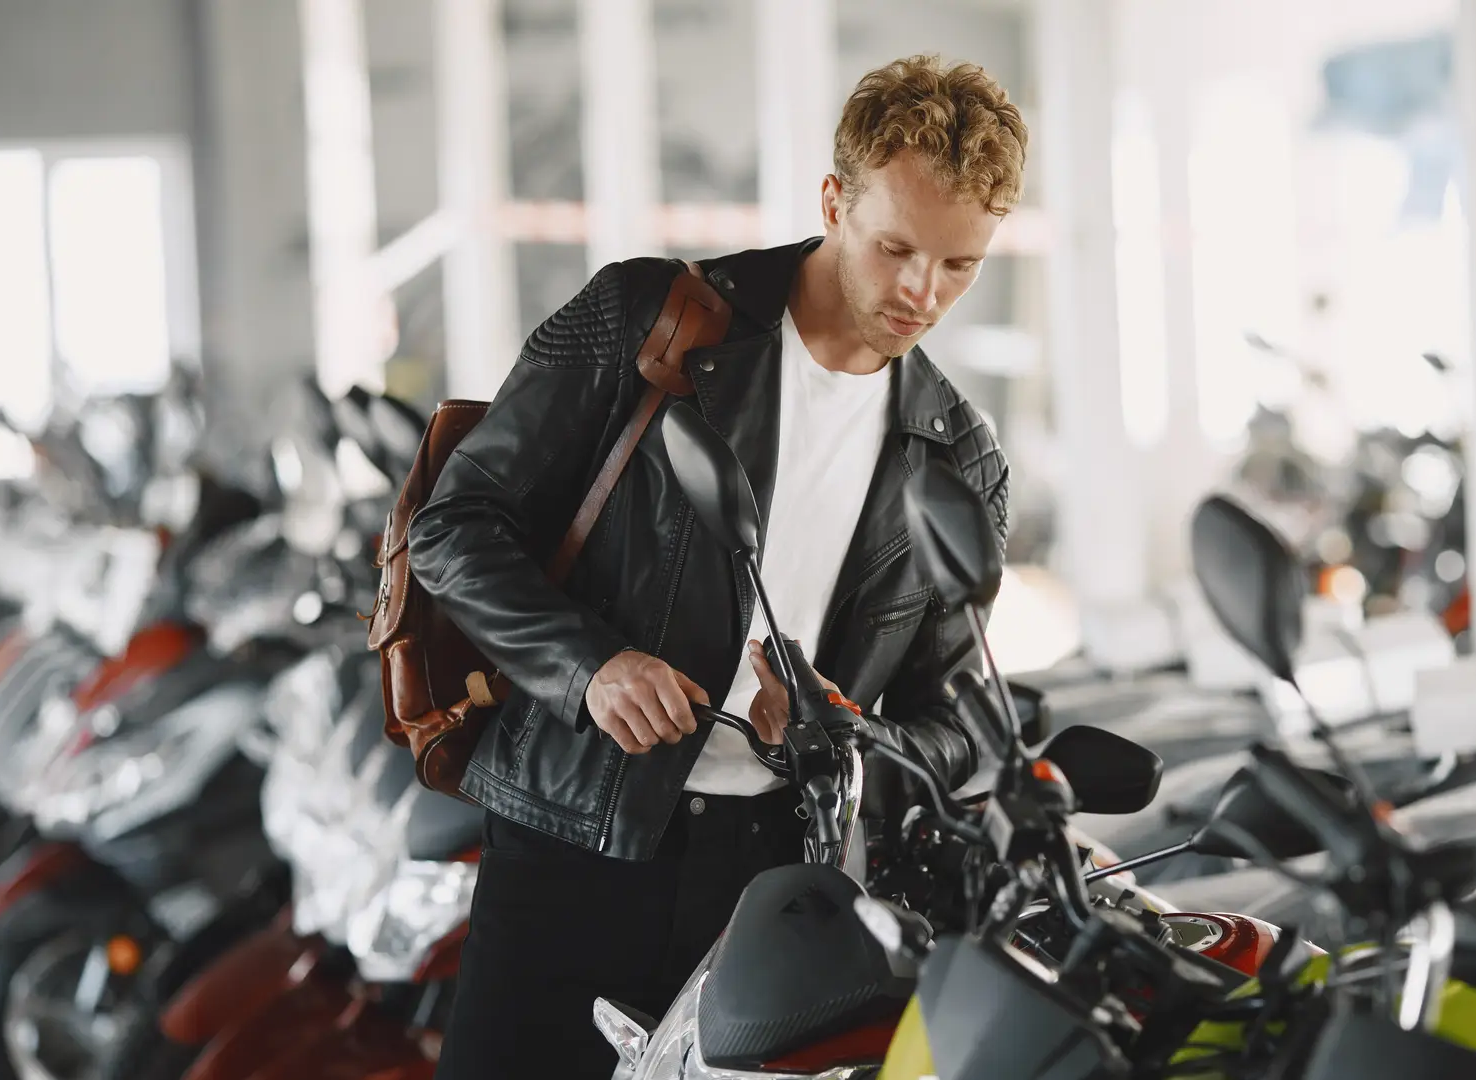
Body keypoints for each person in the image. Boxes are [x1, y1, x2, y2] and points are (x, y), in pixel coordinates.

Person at [409, 54, 1029, 1078]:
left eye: (960, 265)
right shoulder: (650, 322)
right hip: (577, 835)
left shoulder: (959, 458)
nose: (923, 291)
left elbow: (959, 722)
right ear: (834, 201)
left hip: (774, 884)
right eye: (896, 247)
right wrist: (591, 666)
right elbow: (455, 527)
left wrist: (852, 738)